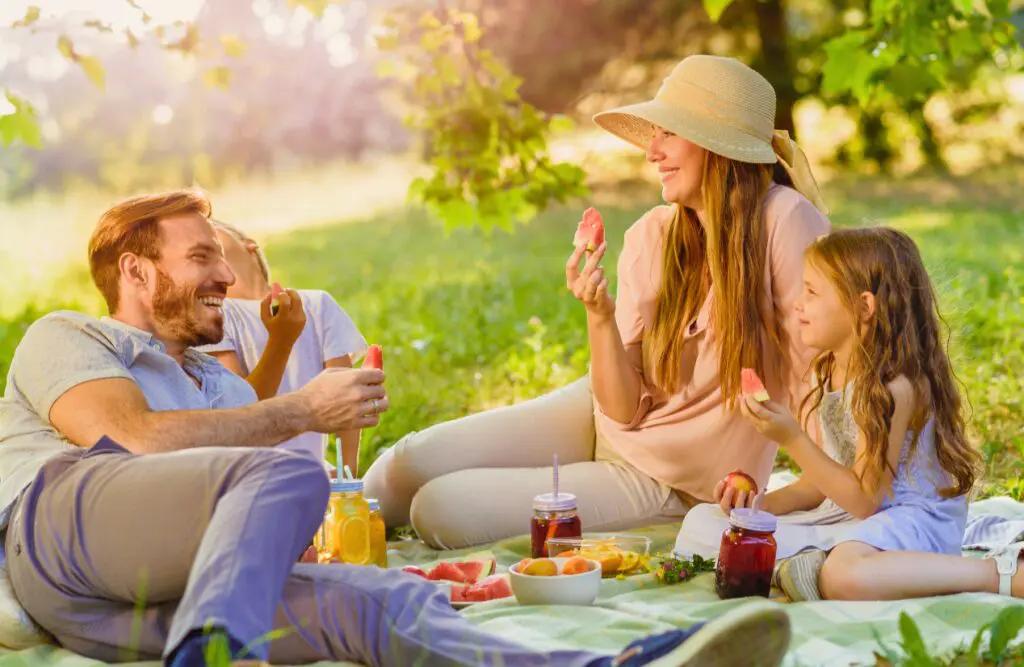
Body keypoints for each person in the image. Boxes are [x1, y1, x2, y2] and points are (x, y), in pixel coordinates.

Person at [0, 188, 794, 667]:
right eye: (201, 255)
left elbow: (234, 467)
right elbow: (134, 439)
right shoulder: (73, 334)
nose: (225, 276)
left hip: (126, 594)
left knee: (378, 601)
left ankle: (606, 661)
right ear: (136, 272)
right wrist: (304, 411)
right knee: (289, 469)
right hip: (56, 527)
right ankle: (217, 653)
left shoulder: (214, 376)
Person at [364, 54, 832, 550]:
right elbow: (622, 408)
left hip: (671, 481)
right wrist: (600, 316)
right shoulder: (653, 234)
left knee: (440, 509)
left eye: (669, 133)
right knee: (410, 461)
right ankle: (308, 523)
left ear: (717, 145)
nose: (653, 152)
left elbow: (818, 374)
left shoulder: (786, 222)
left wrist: (823, 483)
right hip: (603, 415)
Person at [690, 227, 1023, 602]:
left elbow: (867, 500)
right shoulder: (832, 368)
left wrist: (792, 440)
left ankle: (993, 574)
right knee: (704, 524)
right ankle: (805, 565)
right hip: (858, 515)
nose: (798, 304)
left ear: (864, 308)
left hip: (912, 520)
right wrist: (756, 507)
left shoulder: (893, 387)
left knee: (844, 576)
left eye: (812, 292)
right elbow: (823, 480)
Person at [197, 219, 368, 471]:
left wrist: (348, 479)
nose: (207, 247)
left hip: (313, 470)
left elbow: (348, 398)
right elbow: (240, 410)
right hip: (251, 473)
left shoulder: (317, 303)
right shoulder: (214, 316)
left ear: (250, 246)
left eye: (214, 235)